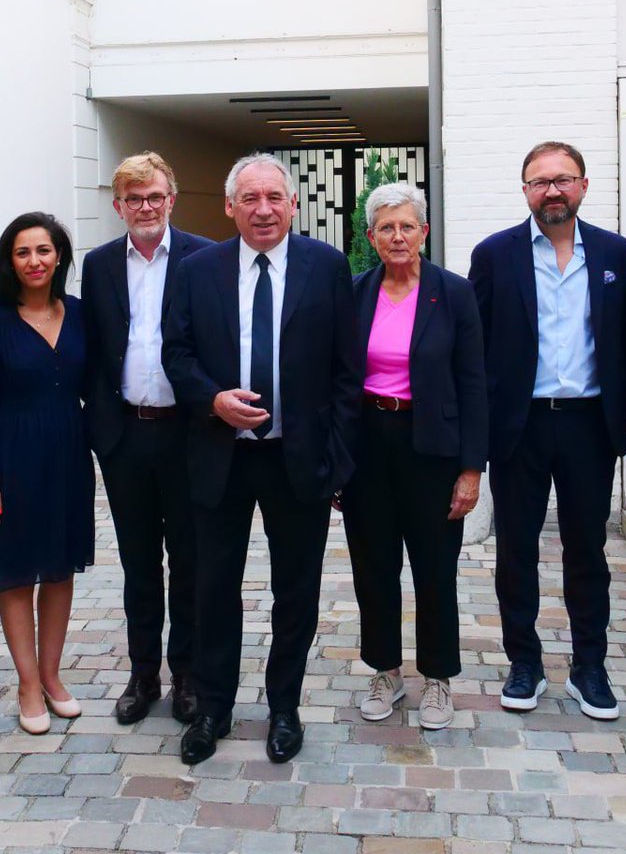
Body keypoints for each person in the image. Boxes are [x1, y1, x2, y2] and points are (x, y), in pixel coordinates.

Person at [163, 153, 359, 766]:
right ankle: (214, 708)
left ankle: (284, 708)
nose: (263, 209)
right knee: (213, 588)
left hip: (296, 460)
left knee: (294, 591)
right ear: (230, 207)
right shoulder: (197, 271)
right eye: (249, 198)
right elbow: (178, 354)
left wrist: (336, 459)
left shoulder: (326, 268)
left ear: (293, 204)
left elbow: (346, 370)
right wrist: (211, 400)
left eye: (274, 196)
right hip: (221, 457)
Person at [469, 141, 626, 720]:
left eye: (563, 180)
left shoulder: (615, 253)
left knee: (586, 550)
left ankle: (590, 666)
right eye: (540, 182)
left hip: (590, 425)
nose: (553, 191)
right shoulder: (495, 255)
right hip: (521, 426)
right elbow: (476, 347)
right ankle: (526, 662)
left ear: (584, 186)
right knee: (516, 551)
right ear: (525, 192)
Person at [342, 182, 487, 730]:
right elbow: (338, 380)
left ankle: (438, 679)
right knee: (373, 567)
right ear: (372, 237)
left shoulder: (453, 293)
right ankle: (385, 671)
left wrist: (471, 469)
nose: (397, 236)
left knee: (434, 569)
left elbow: (474, 384)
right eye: (386, 227)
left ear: (424, 232)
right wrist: (337, 460)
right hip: (368, 447)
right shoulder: (355, 293)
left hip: (433, 450)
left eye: (408, 226)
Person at [81, 153, 212, 725]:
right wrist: (99, 426)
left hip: (186, 435)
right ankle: (143, 674)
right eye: (133, 199)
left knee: (189, 560)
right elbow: (95, 345)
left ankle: (186, 674)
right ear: (118, 207)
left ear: (171, 199)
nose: (145, 207)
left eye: (154, 196)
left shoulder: (204, 257)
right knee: (138, 564)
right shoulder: (98, 263)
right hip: (125, 435)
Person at [0, 212, 94, 734]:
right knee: (16, 573)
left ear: (59, 256)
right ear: (8, 262)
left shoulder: (81, 314)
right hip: (10, 459)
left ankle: (53, 676)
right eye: (23, 252)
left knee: (59, 569)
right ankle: (26, 684)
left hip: (66, 454)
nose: (34, 261)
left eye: (43, 250)